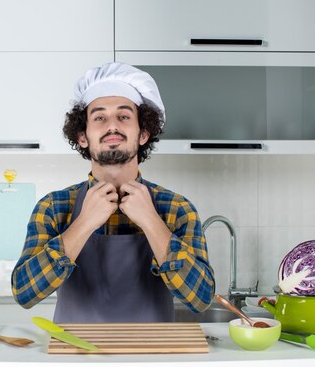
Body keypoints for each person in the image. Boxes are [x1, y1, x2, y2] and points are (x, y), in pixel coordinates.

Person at [11, 62, 215, 323]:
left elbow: (201, 299)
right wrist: (83, 224)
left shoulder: (176, 208)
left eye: (124, 116)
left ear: (142, 133)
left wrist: (152, 222)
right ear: (82, 136)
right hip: (76, 358)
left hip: (152, 358)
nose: (112, 126)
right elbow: (24, 293)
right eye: (99, 117)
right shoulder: (53, 207)